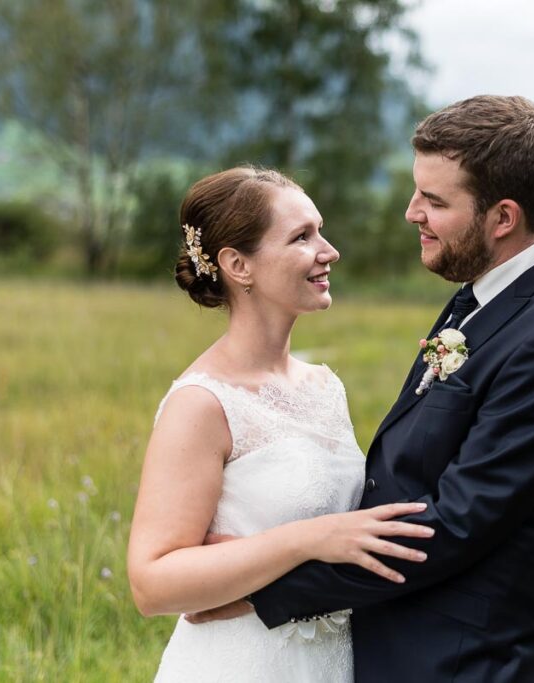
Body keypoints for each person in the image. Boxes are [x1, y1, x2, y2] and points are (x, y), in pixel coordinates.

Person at [207, 95, 534, 682]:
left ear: (502, 218)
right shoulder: (481, 299)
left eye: (434, 200)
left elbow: (454, 525)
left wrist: (260, 589)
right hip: (398, 652)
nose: (411, 213)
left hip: (466, 665)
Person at [126, 166, 435, 683]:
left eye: (320, 230)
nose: (329, 250)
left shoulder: (324, 386)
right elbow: (153, 582)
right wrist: (305, 540)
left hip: (331, 661)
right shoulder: (202, 403)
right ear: (237, 265)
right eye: (301, 237)